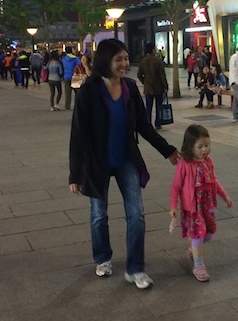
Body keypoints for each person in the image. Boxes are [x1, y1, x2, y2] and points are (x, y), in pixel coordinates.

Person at [69, 39, 180, 289]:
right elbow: (78, 133)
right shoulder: (89, 90)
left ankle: (135, 268)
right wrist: (75, 174)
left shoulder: (130, 88)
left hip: (126, 159)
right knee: (99, 214)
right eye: (119, 59)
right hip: (97, 161)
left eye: (126, 58)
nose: (124, 64)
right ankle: (103, 258)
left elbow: (143, 126)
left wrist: (168, 151)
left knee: (137, 214)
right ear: (105, 61)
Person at [169, 124, 233, 282]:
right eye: (200, 146)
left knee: (209, 234)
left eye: (207, 145)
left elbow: (214, 181)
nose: (204, 149)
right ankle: (198, 265)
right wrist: (173, 206)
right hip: (193, 208)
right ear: (190, 146)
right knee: (198, 234)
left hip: (207, 205)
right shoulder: (184, 164)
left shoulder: (207, 161)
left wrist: (224, 196)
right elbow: (175, 186)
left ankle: (193, 246)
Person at [137, 42, 169, 129]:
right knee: (159, 106)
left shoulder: (143, 61)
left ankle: (148, 124)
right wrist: (166, 86)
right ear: (152, 50)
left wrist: (145, 82)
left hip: (148, 88)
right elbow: (162, 75)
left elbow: (139, 74)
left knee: (148, 107)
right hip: (158, 87)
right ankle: (158, 123)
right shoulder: (158, 61)